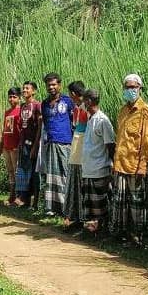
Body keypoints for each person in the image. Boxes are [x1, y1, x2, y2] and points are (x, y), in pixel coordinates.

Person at [110, 74, 148, 244]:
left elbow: (147, 139)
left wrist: (143, 164)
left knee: (136, 202)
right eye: (127, 87)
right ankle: (120, 233)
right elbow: (119, 137)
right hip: (120, 163)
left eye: (134, 87)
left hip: (135, 164)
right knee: (119, 200)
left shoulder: (144, 111)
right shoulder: (122, 111)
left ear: (140, 88)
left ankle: (137, 235)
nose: (131, 90)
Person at [80, 89, 115, 233]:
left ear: (89, 101)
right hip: (89, 167)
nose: (83, 104)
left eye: (84, 101)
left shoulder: (102, 120)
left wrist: (112, 163)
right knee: (91, 201)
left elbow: (110, 145)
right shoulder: (90, 119)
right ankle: (93, 226)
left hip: (100, 167)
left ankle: (103, 227)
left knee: (101, 200)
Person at [40, 73, 75, 216]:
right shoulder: (44, 104)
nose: (51, 87)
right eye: (49, 85)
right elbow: (45, 123)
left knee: (65, 175)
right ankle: (51, 207)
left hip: (65, 143)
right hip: (50, 142)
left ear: (59, 85)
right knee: (51, 175)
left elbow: (74, 121)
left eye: (54, 84)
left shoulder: (67, 102)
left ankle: (66, 207)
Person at [14, 81, 42, 208]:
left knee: (34, 173)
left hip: (33, 144)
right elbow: (22, 127)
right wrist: (20, 143)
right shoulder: (23, 107)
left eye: (27, 88)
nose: (24, 90)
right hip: (24, 144)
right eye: (23, 88)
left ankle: (35, 202)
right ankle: (24, 198)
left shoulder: (37, 106)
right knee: (24, 171)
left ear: (34, 91)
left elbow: (40, 127)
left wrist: (35, 146)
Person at [64, 81, 87, 226]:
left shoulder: (86, 108)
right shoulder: (78, 108)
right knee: (75, 182)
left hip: (83, 150)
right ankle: (75, 215)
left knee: (82, 183)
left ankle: (83, 216)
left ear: (73, 94)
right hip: (76, 149)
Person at [0, 87, 21, 205]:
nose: (11, 99)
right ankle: (11, 195)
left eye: (14, 97)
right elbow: (4, 130)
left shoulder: (21, 111)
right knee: (10, 171)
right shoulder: (7, 112)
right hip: (6, 146)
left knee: (16, 170)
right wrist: (1, 144)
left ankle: (17, 195)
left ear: (19, 98)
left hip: (15, 146)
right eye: (10, 97)